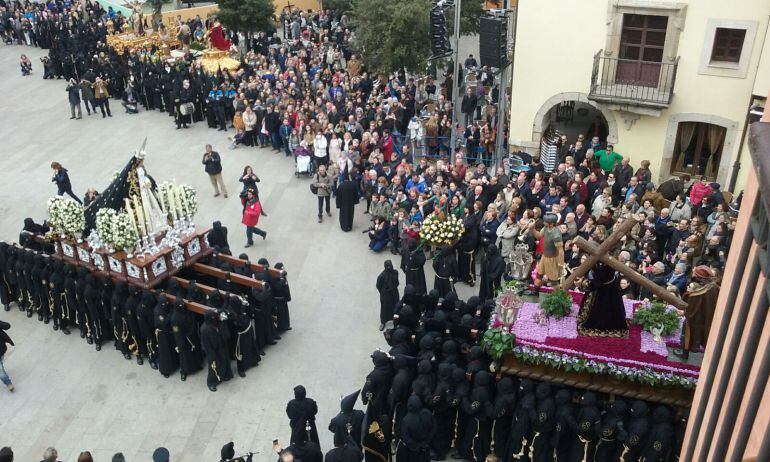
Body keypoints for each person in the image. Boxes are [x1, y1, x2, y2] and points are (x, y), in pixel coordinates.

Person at [200, 310, 233, 392]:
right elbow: (206, 344)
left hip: (221, 346)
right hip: (213, 350)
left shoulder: (216, 323)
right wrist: (211, 354)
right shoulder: (204, 329)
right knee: (214, 367)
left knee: (225, 361)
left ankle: (226, 375)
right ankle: (211, 382)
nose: (214, 318)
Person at [530, 213, 564, 287]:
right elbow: (539, 236)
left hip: (552, 259)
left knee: (553, 281)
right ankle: (535, 292)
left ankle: (559, 296)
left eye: (545, 222)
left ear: (551, 224)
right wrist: (532, 229)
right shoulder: (545, 228)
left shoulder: (556, 235)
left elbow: (560, 250)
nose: (544, 222)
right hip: (544, 256)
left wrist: (561, 264)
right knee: (539, 275)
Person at [376, 260, 399, 331]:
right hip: (385, 295)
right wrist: (383, 292)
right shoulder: (381, 276)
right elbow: (378, 286)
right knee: (384, 308)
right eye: (388, 266)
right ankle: (383, 322)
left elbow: (397, 283)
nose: (389, 268)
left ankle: (396, 321)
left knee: (396, 307)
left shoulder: (395, 272)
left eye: (390, 266)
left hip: (394, 293)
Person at [0, 319, 14, 392]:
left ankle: (8, 383)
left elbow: (7, 326)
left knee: (1, 371)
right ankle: (8, 383)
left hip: (1, 350)